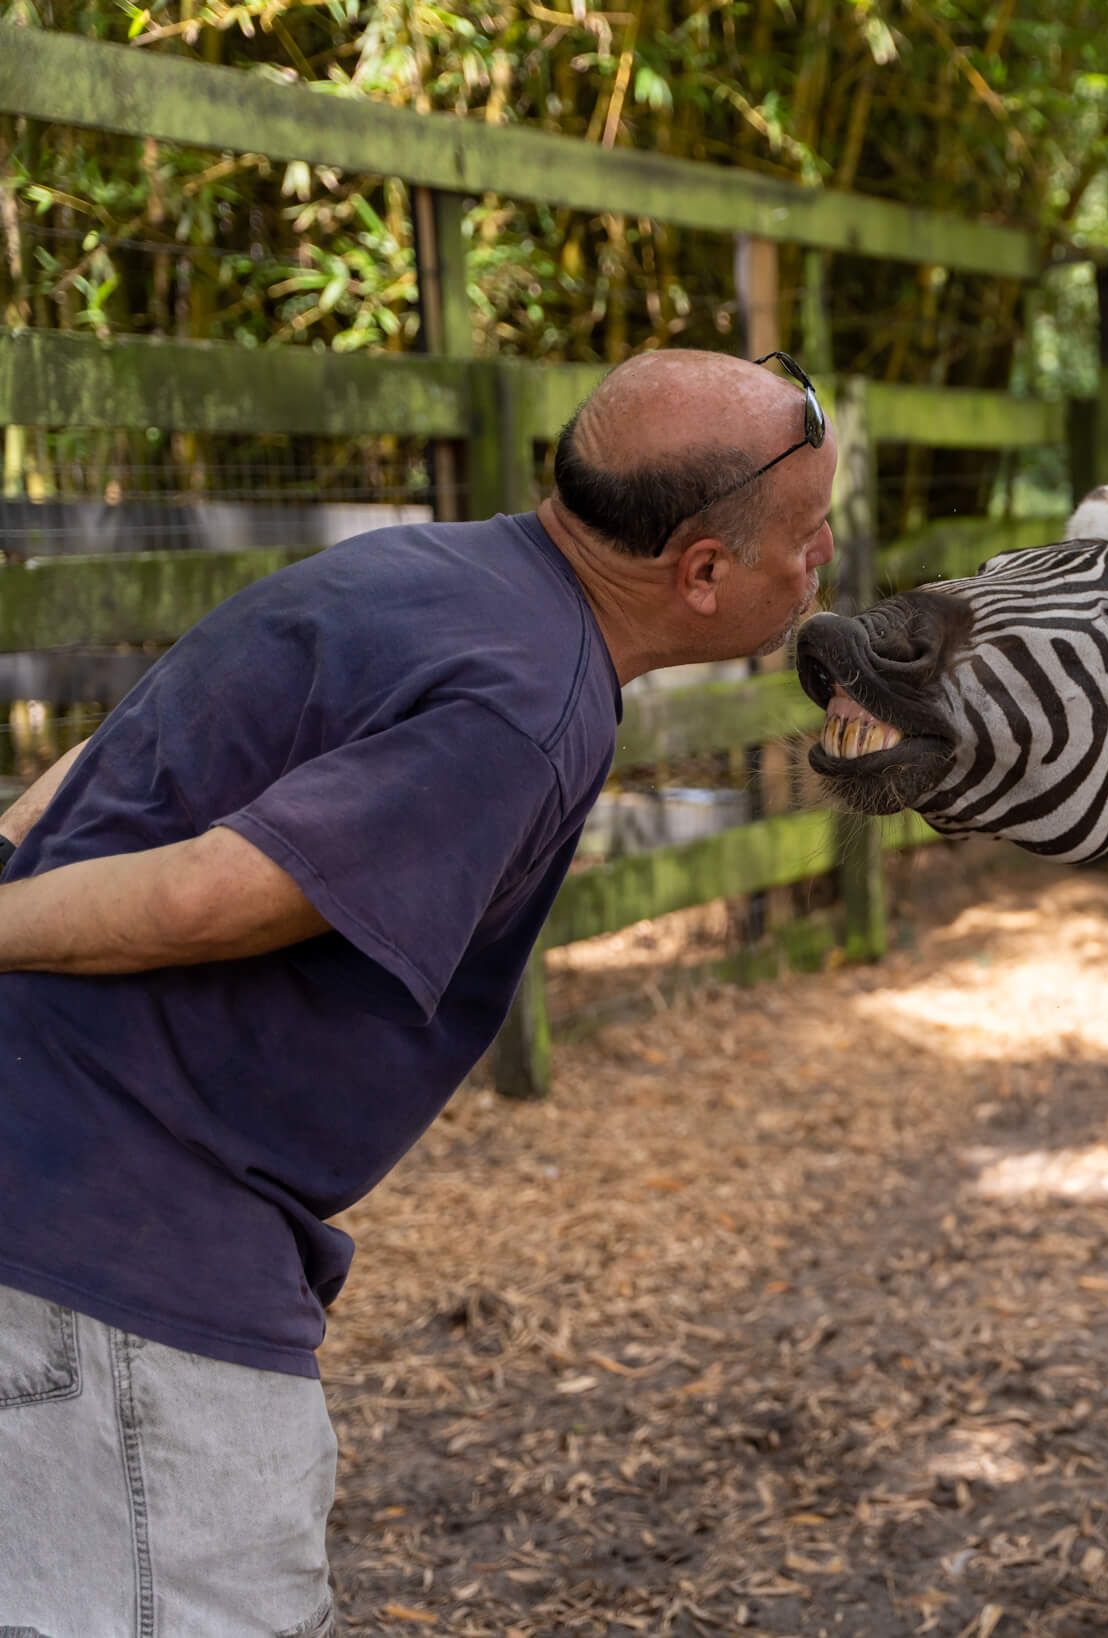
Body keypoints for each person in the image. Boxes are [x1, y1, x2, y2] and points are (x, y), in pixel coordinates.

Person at [0, 348, 837, 1637]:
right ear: (705, 572)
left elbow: (106, 760)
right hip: (121, 1243)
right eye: (809, 537)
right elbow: (207, 894)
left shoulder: (419, 567)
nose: (821, 562)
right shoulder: (528, 709)